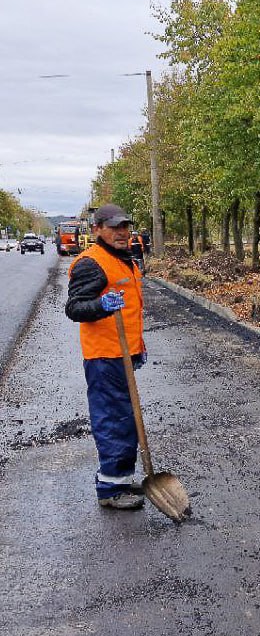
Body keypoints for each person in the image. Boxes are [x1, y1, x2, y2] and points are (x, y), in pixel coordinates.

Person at [65, 204, 147, 510]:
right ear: (97, 229)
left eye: (125, 226)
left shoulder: (123, 259)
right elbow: (74, 308)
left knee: (126, 417)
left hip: (123, 352)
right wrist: (101, 306)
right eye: (114, 227)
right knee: (114, 419)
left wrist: (139, 348)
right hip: (104, 356)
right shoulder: (92, 263)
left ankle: (120, 479)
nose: (122, 232)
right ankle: (110, 489)